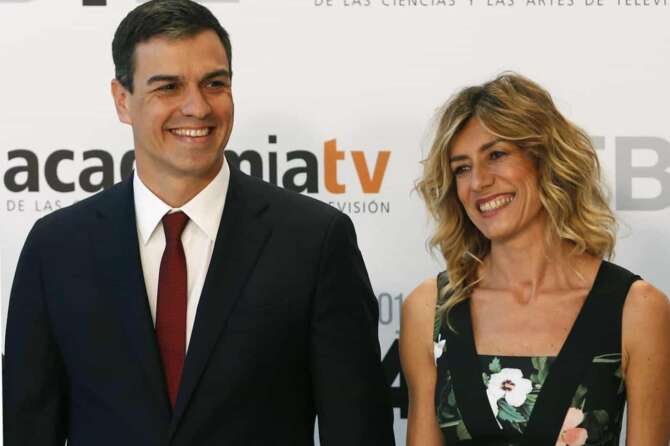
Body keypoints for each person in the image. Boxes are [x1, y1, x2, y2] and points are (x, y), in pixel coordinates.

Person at [3, 1, 395, 445]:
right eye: (168, 87)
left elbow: (359, 428)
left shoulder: (314, 241)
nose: (197, 107)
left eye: (214, 84)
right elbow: (29, 428)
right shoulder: (57, 248)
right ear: (122, 100)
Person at [400, 73, 670, 445]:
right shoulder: (432, 308)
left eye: (496, 155)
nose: (478, 182)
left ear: (545, 160)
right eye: (462, 168)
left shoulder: (636, 308)